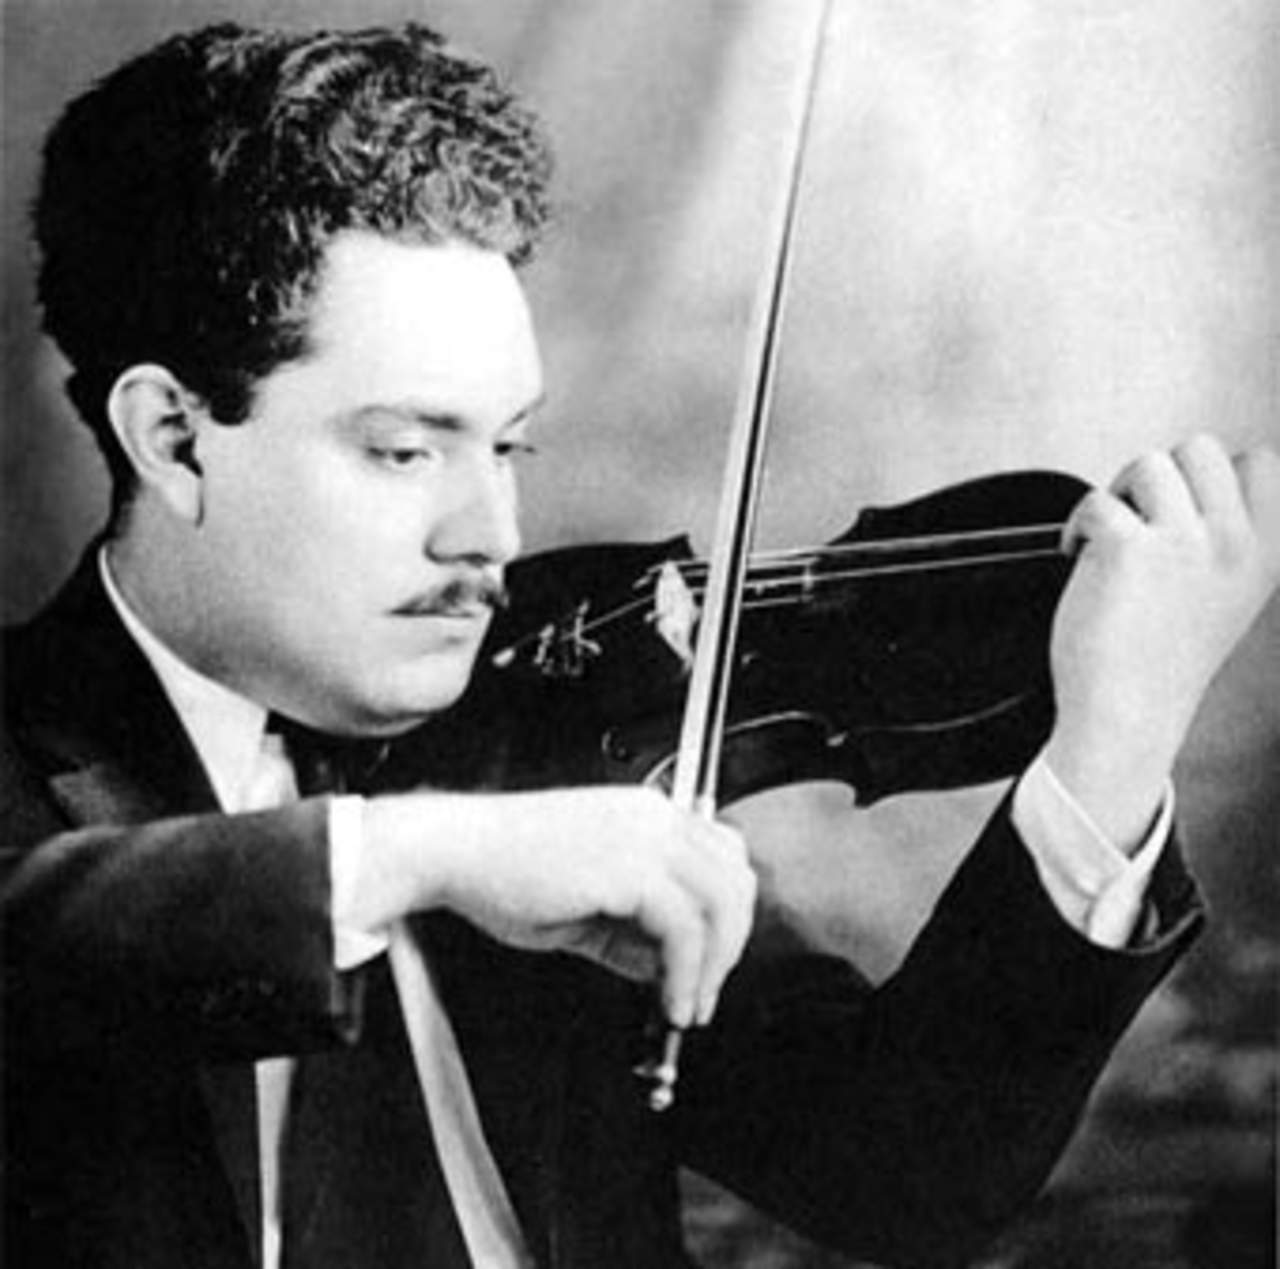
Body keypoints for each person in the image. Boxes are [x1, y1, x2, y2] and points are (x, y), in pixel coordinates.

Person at [3, 21, 1277, 1269]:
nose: (491, 536)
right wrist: (411, 856)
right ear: (174, 438)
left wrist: (1112, 742)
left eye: (507, 445)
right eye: (402, 451)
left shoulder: (547, 740)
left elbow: (900, 1171)